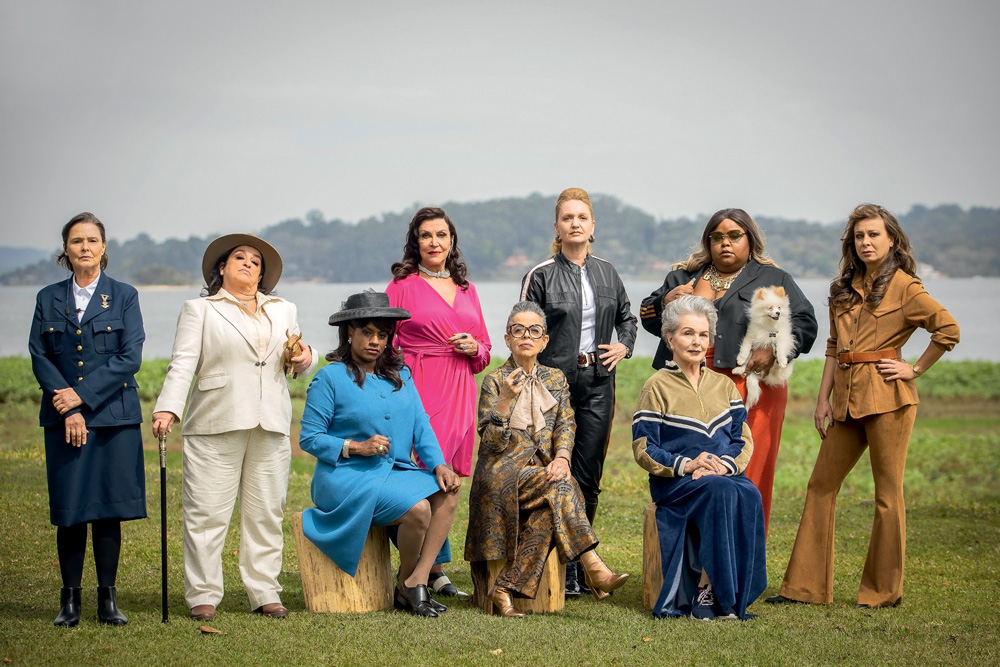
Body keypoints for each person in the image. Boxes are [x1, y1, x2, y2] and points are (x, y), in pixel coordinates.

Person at [767, 204, 960, 609]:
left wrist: (914, 369)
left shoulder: (906, 287)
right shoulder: (843, 288)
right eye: (859, 236)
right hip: (845, 401)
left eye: (874, 234)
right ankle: (803, 590)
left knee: (887, 495)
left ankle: (881, 593)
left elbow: (947, 329)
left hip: (889, 399)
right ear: (851, 243)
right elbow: (834, 348)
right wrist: (823, 400)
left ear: (892, 239)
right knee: (820, 486)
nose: (866, 242)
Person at [152, 233, 316, 621]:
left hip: (270, 419)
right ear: (221, 268)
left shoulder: (283, 309)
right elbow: (183, 362)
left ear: (263, 273)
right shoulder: (200, 309)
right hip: (216, 418)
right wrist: (167, 408)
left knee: (266, 511)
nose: (247, 263)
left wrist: (305, 357)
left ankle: (264, 590)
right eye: (239, 257)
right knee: (206, 512)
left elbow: (295, 356)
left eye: (255, 261)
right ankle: (203, 594)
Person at [639, 208, 817, 533]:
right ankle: (697, 562)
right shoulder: (683, 277)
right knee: (697, 467)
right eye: (717, 237)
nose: (726, 243)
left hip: (753, 387)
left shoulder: (772, 278)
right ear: (708, 242)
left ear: (749, 239)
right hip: (688, 385)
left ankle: (744, 561)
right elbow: (649, 317)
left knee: (748, 470)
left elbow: (806, 323)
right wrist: (666, 299)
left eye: (735, 236)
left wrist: (773, 351)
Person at [298, 291, 461, 617]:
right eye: (367, 333)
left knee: (449, 493)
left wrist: (439, 464)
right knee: (417, 509)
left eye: (382, 334)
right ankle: (409, 586)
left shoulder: (402, 376)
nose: (375, 341)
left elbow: (421, 424)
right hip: (344, 476)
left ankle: (414, 580)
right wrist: (356, 447)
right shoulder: (329, 378)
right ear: (350, 333)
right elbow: (309, 437)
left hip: (396, 470)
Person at [466, 302, 629, 617]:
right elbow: (491, 444)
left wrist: (564, 458)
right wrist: (504, 402)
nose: (526, 335)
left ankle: (502, 591)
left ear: (544, 341)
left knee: (550, 507)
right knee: (564, 488)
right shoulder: (495, 380)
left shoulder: (555, 378)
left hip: (543, 476)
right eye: (518, 330)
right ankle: (593, 566)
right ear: (508, 339)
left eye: (534, 330)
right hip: (501, 476)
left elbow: (566, 424)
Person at [29, 212, 146, 627]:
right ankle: (70, 601)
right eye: (76, 241)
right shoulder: (47, 298)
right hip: (64, 418)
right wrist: (70, 407)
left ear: (103, 248)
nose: (84, 247)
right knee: (71, 507)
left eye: (92, 240)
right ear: (65, 249)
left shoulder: (124, 295)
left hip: (113, 418)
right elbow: (40, 356)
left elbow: (129, 357)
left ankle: (107, 600)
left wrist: (81, 395)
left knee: (108, 508)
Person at [520, 187, 637, 595]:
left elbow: (628, 317)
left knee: (589, 476)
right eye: (567, 218)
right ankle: (565, 567)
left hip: (599, 383)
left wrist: (624, 344)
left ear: (592, 226)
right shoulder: (540, 274)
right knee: (555, 471)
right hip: (554, 386)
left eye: (582, 218)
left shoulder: (608, 272)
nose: (575, 223)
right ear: (557, 226)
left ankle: (580, 565)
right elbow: (525, 329)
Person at [633, 295, 767, 620]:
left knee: (748, 492)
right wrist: (689, 465)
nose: (697, 342)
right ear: (670, 338)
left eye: (703, 334)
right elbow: (644, 448)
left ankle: (733, 593)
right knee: (719, 491)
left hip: (721, 474)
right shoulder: (657, 386)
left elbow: (742, 439)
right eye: (688, 333)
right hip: (676, 483)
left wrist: (723, 465)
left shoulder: (724, 385)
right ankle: (707, 594)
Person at [385, 206, 491, 598]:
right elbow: (384, 343)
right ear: (416, 242)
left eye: (441, 235)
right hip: (418, 385)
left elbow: (484, 353)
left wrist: (474, 345)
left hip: (460, 385)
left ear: (452, 241)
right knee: (421, 475)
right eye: (426, 235)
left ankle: (435, 571)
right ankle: (419, 571)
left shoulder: (468, 289)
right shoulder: (401, 286)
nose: (434, 242)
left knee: (448, 481)